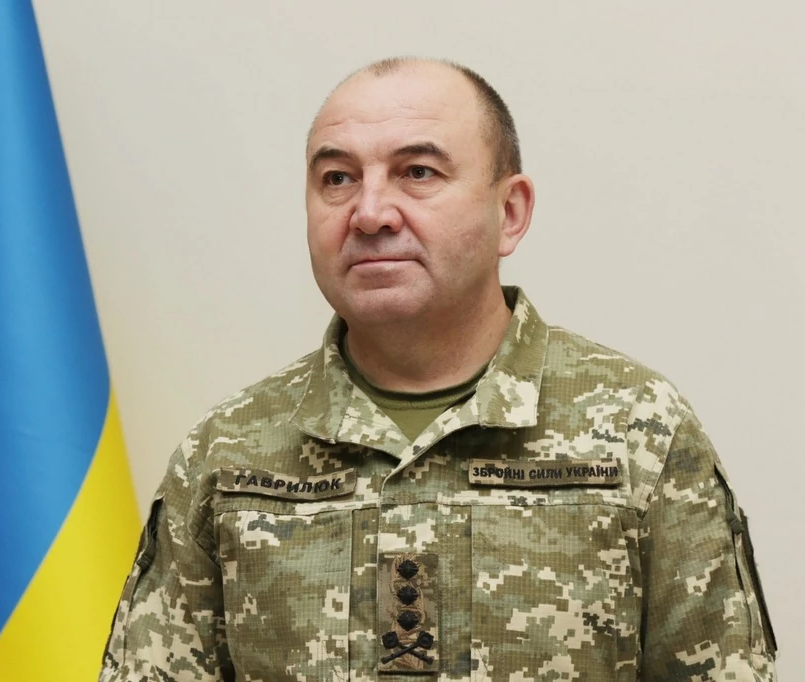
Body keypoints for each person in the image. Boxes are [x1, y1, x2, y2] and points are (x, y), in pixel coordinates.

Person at [98, 57, 778, 681]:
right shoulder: (226, 454)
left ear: (509, 212)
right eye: (337, 179)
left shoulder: (639, 431)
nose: (369, 213)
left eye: (418, 172)